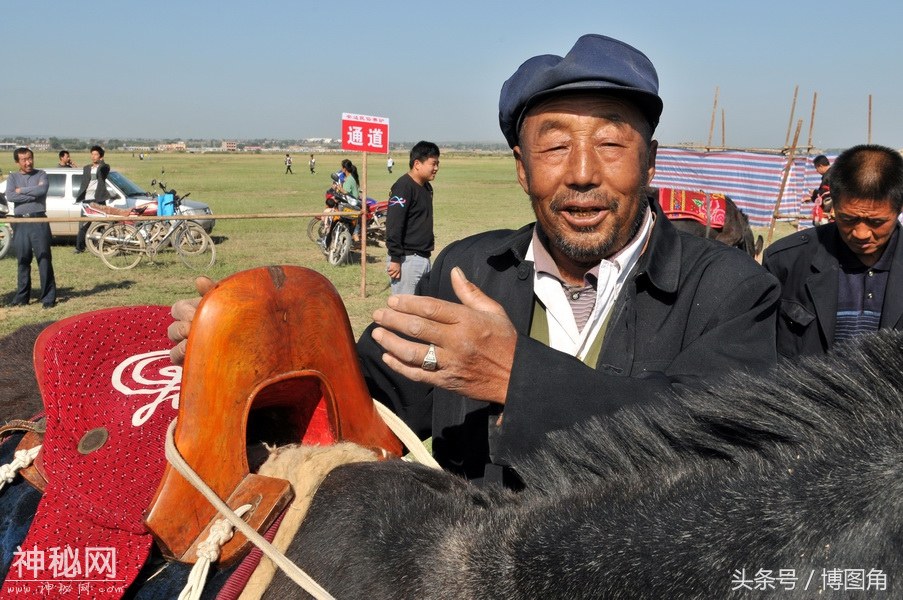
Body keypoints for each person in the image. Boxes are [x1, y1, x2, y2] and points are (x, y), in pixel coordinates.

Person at [171, 34, 779, 489]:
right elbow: (366, 405)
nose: (582, 173)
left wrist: (516, 377)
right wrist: (267, 367)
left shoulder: (733, 291)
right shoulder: (465, 272)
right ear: (522, 169)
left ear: (650, 162)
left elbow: (722, 442)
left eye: (611, 142)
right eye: (555, 145)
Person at [763, 144, 903, 360]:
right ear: (833, 204)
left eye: (876, 222)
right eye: (848, 219)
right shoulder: (786, 262)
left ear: (899, 208)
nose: (861, 234)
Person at [385, 142, 440, 295]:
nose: (436, 168)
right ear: (417, 164)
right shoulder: (403, 187)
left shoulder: (427, 188)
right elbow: (394, 224)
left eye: (438, 164)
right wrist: (395, 258)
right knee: (405, 307)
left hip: (423, 257)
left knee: (421, 307)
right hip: (407, 260)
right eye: (433, 163)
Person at [6, 148, 56, 308]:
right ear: (17, 162)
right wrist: (32, 194)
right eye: (24, 160)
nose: (28, 162)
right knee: (23, 260)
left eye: (30, 158)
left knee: (44, 259)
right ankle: (22, 297)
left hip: (38, 220)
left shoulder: (41, 174)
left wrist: (21, 191)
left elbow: (42, 190)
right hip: (20, 222)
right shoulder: (13, 177)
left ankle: (48, 298)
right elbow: (10, 195)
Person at [73, 145, 110, 253]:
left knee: (101, 223)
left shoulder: (104, 167)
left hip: (99, 198)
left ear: (100, 156)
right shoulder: (86, 168)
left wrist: (102, 162)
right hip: (87, 199)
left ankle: (101, 246)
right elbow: (84, 183)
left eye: (96, 154)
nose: (93, 156)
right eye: (92, 154)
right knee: (84, 223)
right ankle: (79, 247)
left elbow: (104, 169)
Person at [803, 154, 833, 227]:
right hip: (831, 207)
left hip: (830, 209)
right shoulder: (831, 174)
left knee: (823, 226)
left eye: (816, 168)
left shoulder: (829, 176)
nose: (816, 171)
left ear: (820, 166)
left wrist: (814, 192)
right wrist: (811, 198)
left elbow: (827, 193)